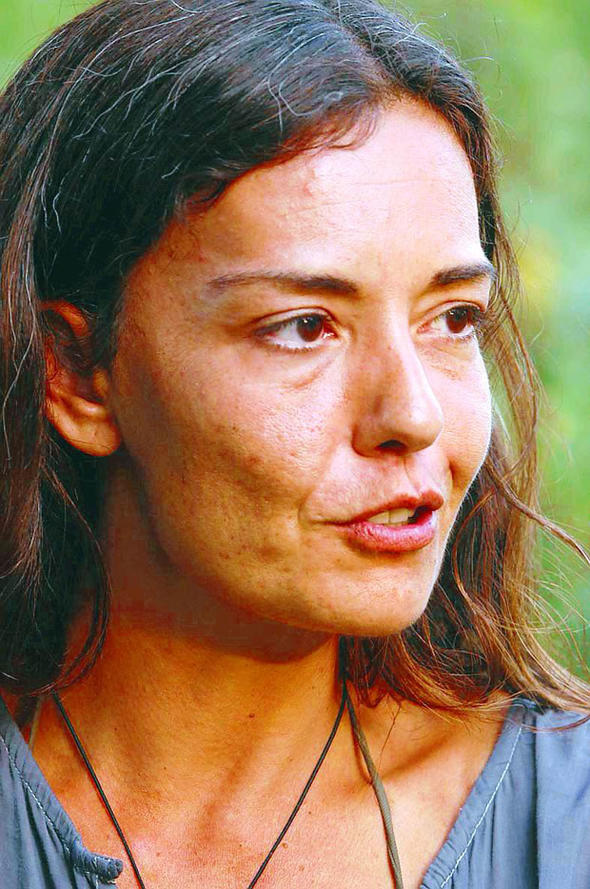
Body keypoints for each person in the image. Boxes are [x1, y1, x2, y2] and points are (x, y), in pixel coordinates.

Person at [0, 0, 589, 887]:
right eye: (305, 326)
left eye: (453, 318)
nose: (414, 415)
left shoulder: (565, 825)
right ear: (77, 374)